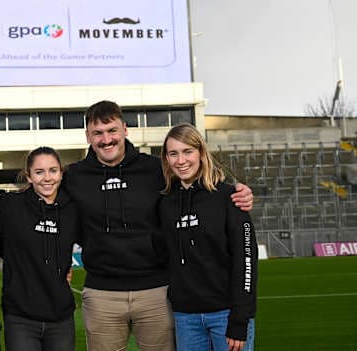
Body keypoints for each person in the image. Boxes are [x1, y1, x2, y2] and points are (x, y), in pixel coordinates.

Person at [63, 100, 254, 351]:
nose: (106, 139)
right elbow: (45, 205)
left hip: (155, 292)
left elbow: (196, 181)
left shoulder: (156, 169)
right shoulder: (73, 176)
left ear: (125, 130)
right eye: (97, 133)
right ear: (88, 135)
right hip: (102, 293)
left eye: (112, 131)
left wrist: (237, 190)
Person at [157, 123, 258, 351]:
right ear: (166, 159)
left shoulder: (229, 197)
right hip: (186, 318)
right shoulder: (165, 203)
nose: (181, 161)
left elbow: (246, 260)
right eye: (173, 153)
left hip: (226, 314)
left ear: (201, 153)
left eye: (187, 151)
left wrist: (240, 319)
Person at [0, 146, 81, 351]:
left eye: (53, 170)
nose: (47, 178)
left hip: (60, 319)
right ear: (29, 176)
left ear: (61, 173)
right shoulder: (11, 205)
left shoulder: (73, 210)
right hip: (20, 319)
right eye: (39, 172)